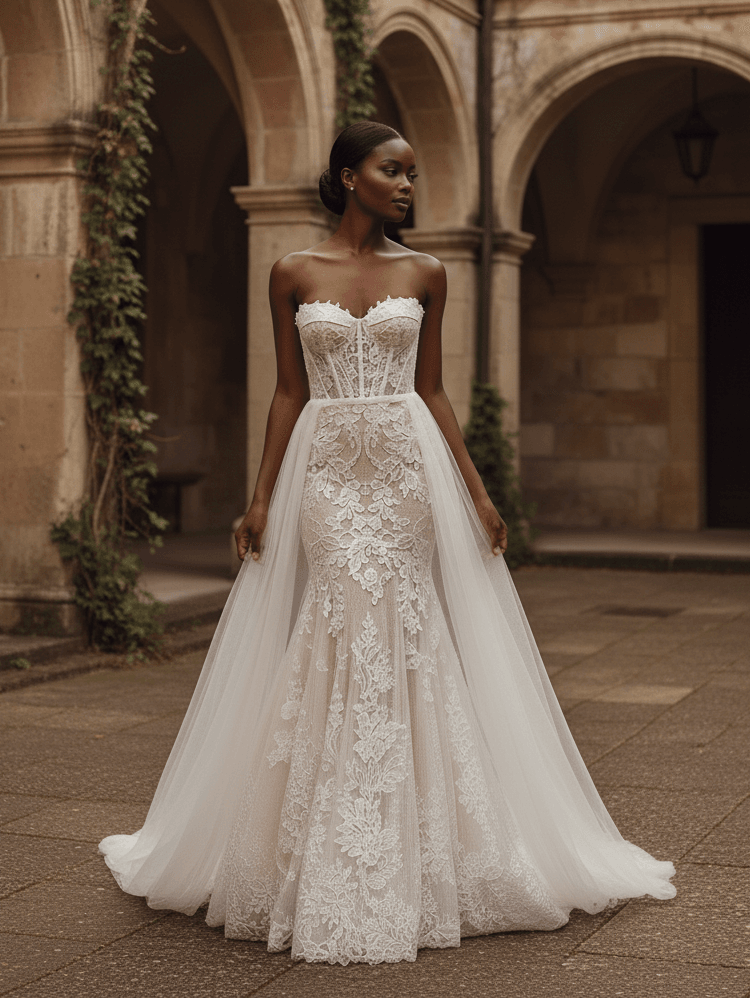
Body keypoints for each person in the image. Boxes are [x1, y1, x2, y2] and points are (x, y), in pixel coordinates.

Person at [100, 121, 676, 965]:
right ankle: (322, 836)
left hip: (407, 474)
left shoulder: (427, 271)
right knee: (340, 619)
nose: (407, 184)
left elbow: (432, 391)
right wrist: (260, 497)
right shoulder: (293, 271)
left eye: (411, 173)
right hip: (328, 474)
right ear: (348, 176)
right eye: (391, 169)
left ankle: (421, 838)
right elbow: (288, 391)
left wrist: (476, 491)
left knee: (405, 627)